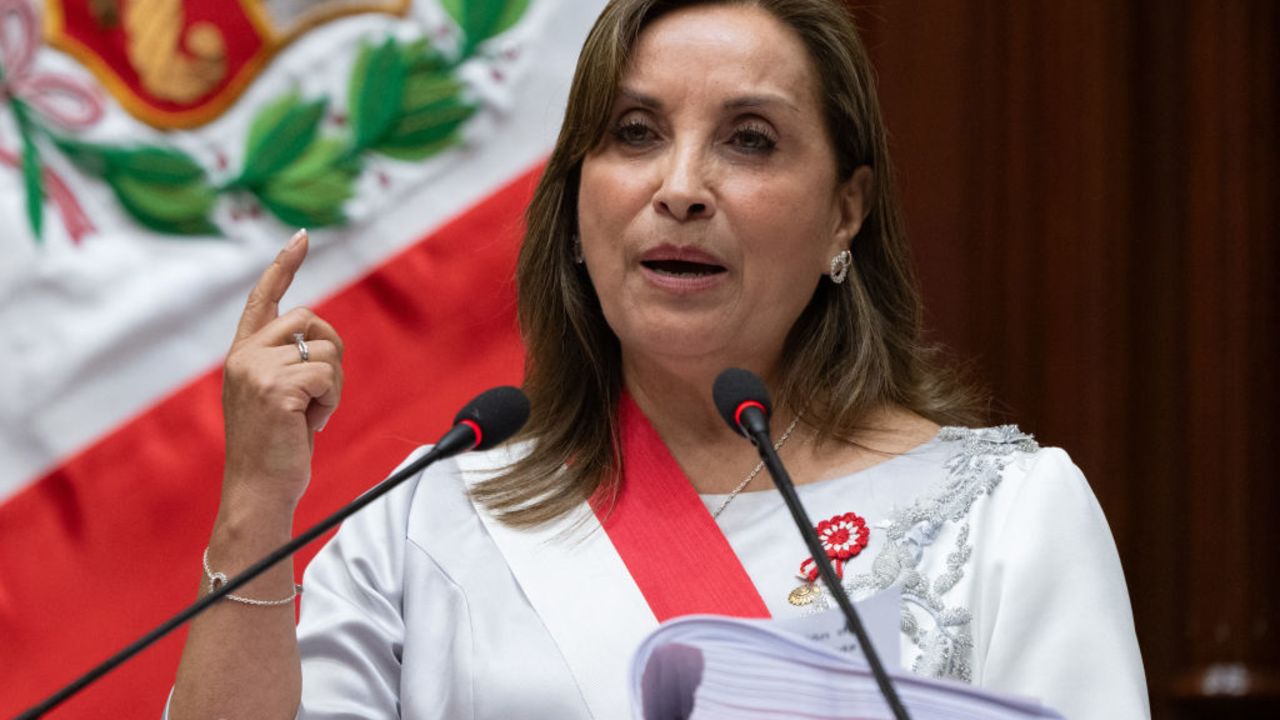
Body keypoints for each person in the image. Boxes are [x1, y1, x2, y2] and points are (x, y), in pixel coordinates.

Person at [168, 1, 1150, 718]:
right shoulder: (427, 517)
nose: (680, 187)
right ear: (578, 201)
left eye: (749, 141)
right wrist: (258, 496)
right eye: (633, 134)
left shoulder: (1009, 515)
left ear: (843, 213)